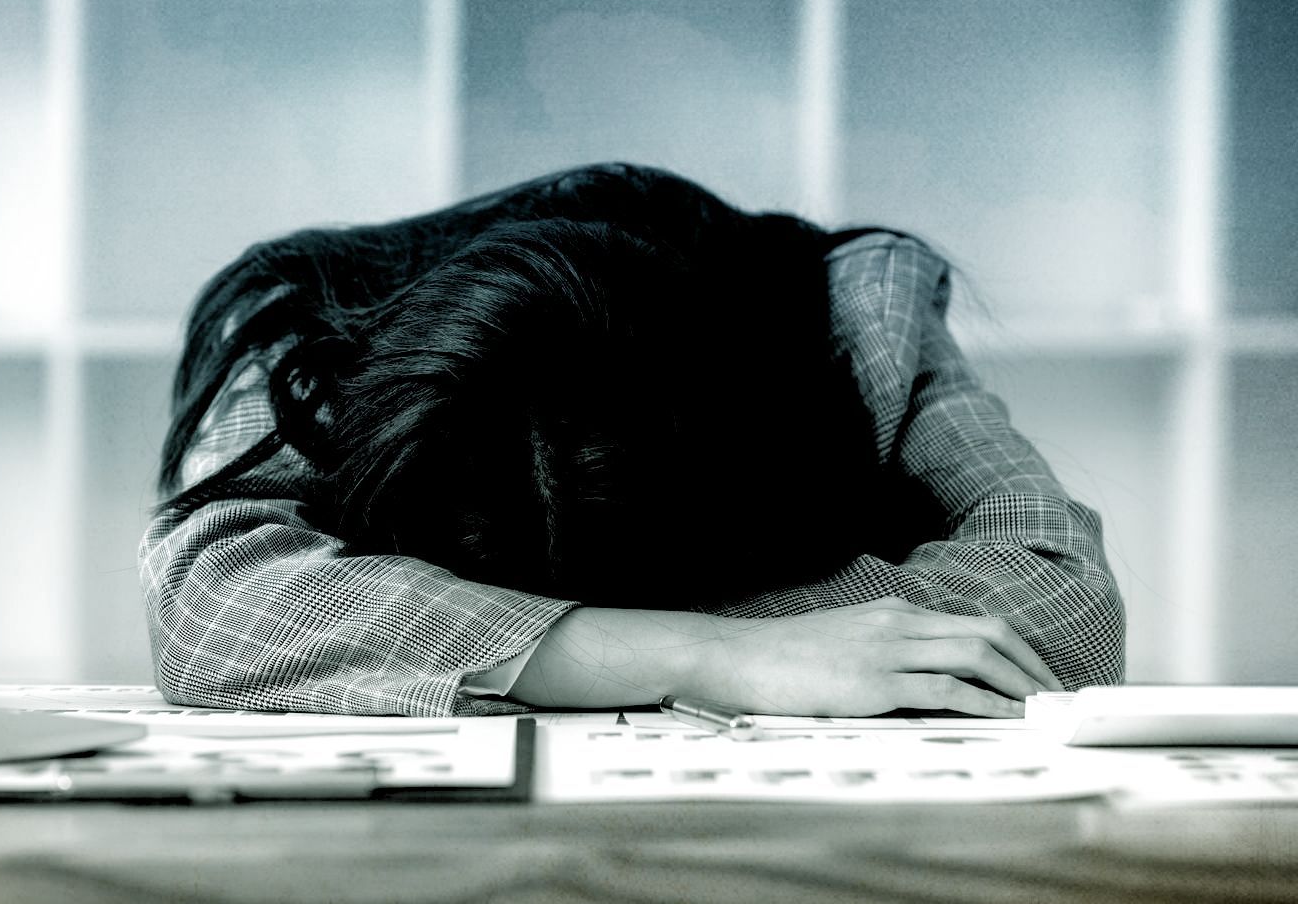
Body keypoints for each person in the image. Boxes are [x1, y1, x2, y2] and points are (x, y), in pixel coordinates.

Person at [139, 163, 1125, 718]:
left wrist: (527, 647)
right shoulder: (308, 336)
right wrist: (716, 654)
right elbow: (212, 607)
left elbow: (1062, 602)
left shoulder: (857, 315)